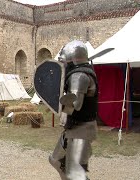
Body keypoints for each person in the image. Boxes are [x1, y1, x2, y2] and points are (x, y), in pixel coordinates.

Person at [49, 40, 98, 180]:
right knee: (56, 161)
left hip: (82, 130)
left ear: (71, 60)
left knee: (76, 174)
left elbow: (75, 104)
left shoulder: (79, 76)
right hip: (74, 128)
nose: (63, 65)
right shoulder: (78, 73)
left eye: (64, 62)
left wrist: (58, 103)